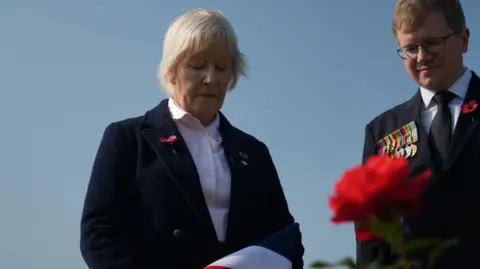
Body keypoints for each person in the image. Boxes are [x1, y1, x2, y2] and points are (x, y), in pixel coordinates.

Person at [79, 8, 304, 269]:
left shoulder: (254, 152)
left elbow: (282, 239)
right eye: (197, 66)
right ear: (172, 70)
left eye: (221, 67)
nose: (211, 78)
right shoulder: (127, 139)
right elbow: (100, 233)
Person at [358, 0, 480, 268]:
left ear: (464, 38)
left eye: (433, 42)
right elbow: (373, 237)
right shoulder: (382, 131)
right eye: (410, 48)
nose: (422, 57)